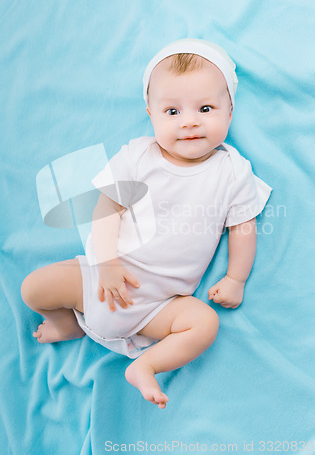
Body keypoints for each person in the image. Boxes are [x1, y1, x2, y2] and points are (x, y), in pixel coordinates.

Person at [21, 38, 272, 409]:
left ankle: (146, 366)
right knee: (34, 287)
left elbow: (243, 227)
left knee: (204, 324)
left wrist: (236, 278)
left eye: (205, 108)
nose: (189, 121)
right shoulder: (139, 156)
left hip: (161, 304)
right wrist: (106, 263)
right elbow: (105, 208)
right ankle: (67, 323)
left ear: (229, 112)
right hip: (101, 279)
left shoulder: (233, 171)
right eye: (172, 111)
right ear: (150, 114)